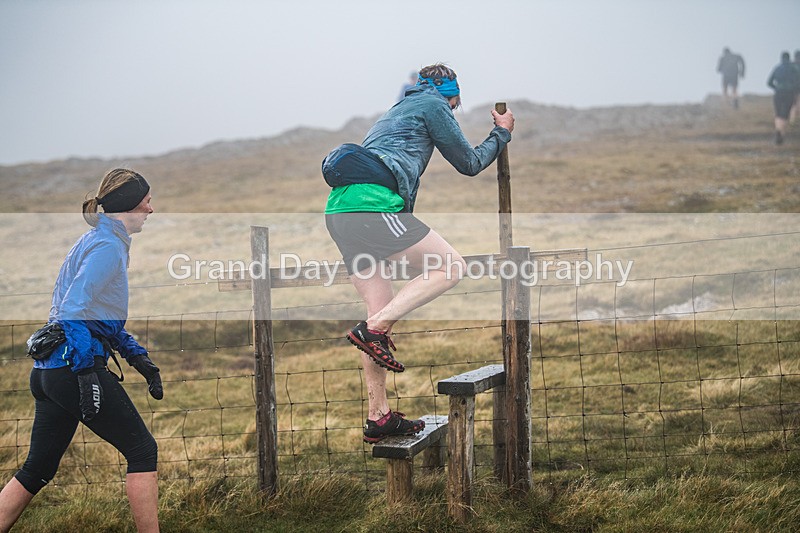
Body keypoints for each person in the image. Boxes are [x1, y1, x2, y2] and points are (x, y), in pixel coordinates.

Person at [322, 63, 514, 443]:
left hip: (339, 212)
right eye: (457, 102)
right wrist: (501, 133)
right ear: (451, 92)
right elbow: (470, 163)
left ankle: (379, 417)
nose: (456, 108)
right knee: (452, 266)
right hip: (373, 208)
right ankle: (371, 331)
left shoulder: (395, 110)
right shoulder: (434, 105)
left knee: (380, 312)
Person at [0, 169, 163, 533]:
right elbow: (73, 309)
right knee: (142, 451)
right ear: (128, 207)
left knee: (37, 468)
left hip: (48, 372)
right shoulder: (107, 247)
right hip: (71, 368)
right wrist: (88, 369)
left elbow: (96, 317)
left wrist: (137, 357)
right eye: (147, 202)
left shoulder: (96, 240)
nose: (151, 210)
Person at [767, 51, 800, 145]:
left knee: (778, 114)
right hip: (789, 93)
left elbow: (769, 82)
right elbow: (798, 82)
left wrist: (776, 88)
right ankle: (781, 133)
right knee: (785, 114)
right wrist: (793, 90)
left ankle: (778, 130)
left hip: (778, 93)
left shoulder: (777, 68)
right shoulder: (794, 69)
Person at [790, 50, 800, 125]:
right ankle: (793, 121)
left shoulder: (791, 65)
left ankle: (793, 121)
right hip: (795, 88)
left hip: (793, 88)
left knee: (794, 104)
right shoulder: (792, 65)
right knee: (795, 104)